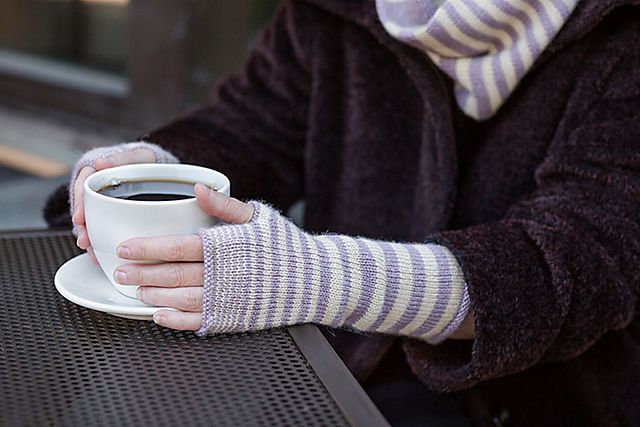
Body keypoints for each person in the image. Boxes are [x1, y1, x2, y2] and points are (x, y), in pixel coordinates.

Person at [44, 0, 640, 425]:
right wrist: (154, 163)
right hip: (330, 373)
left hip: (534, 400)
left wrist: (316, 277)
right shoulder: (333, 11)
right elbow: (252, 126)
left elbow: (578, 263)